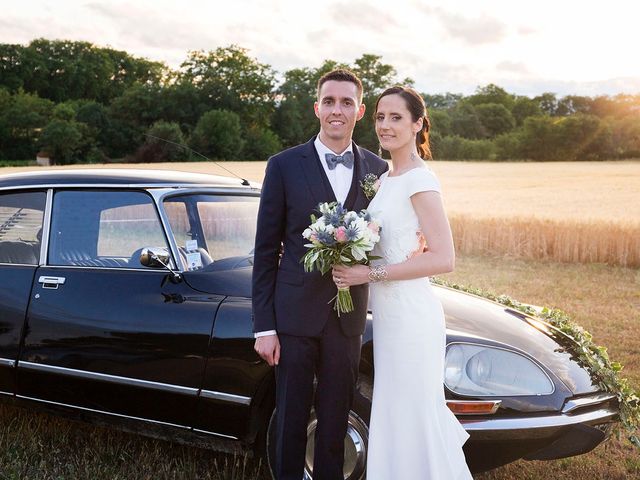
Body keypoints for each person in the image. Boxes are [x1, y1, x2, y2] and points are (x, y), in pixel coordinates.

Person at [252, 69, 388, 480]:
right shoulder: (283, 165)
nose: (337, 110)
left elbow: (386, 241)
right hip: (293, 316)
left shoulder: (378, 170)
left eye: (347, 102)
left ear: (360, 111)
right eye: (329, 101)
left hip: (348, 321)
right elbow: (265, 250)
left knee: (335, 420)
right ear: (317, 108)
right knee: (291, 418)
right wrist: (264, 328)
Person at [333, 86, 473, 479]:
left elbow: (444, 258)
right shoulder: (384, 178)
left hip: (412, 317)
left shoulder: (420, 180)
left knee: (413, 410)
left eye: (396, 118)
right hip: (389, 318)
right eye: (380, 117)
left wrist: (367, 274)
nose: (385, 125)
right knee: (393, 408)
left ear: (417, 125)